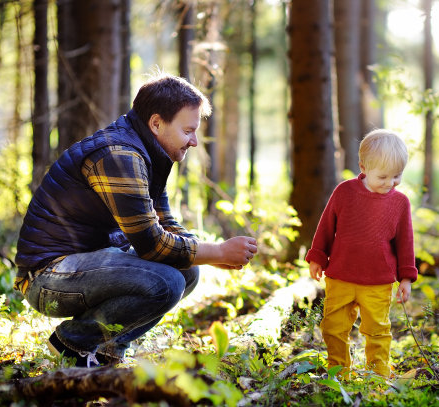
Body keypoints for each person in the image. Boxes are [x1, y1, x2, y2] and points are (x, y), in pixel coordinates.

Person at [14, 73, 258, 367]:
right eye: (188, 131)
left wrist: (207, 254)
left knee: (188, 272)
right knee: (166, 282)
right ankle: (73, 342)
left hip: (86, 264)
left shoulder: (148, 154)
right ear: (156, 123)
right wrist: (216, 251)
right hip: (47, 277)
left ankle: (106, 351)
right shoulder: (119, 156)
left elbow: (166, 223)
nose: (194, 141)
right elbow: (152, 245)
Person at [305, 129, 418, 378]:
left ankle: (378, 374)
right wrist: (317, 257)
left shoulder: (400, 204)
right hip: (341, 276)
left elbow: (405, 243)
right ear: (363, 167)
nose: (390, 183)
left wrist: (406, 278)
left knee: (378, 330)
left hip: (377, 281)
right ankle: (338, 371)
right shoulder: (344, 193)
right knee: (334, 327)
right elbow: (326, 226)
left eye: (397, 176)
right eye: (383, 176)